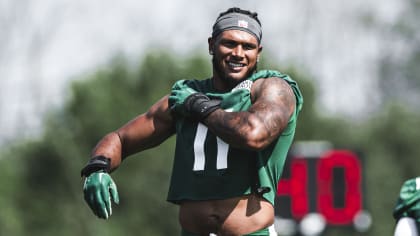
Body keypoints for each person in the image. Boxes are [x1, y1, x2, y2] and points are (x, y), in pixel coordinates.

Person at [81, 7, 303, 236]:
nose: (238, 53)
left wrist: (201, 108)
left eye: (248, 46)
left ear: (259, 52)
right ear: (211, 45)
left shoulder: (272, 88)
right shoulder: (186, 95)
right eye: (229, 43)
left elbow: (253, 133)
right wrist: (98, 167)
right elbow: (121, 139)